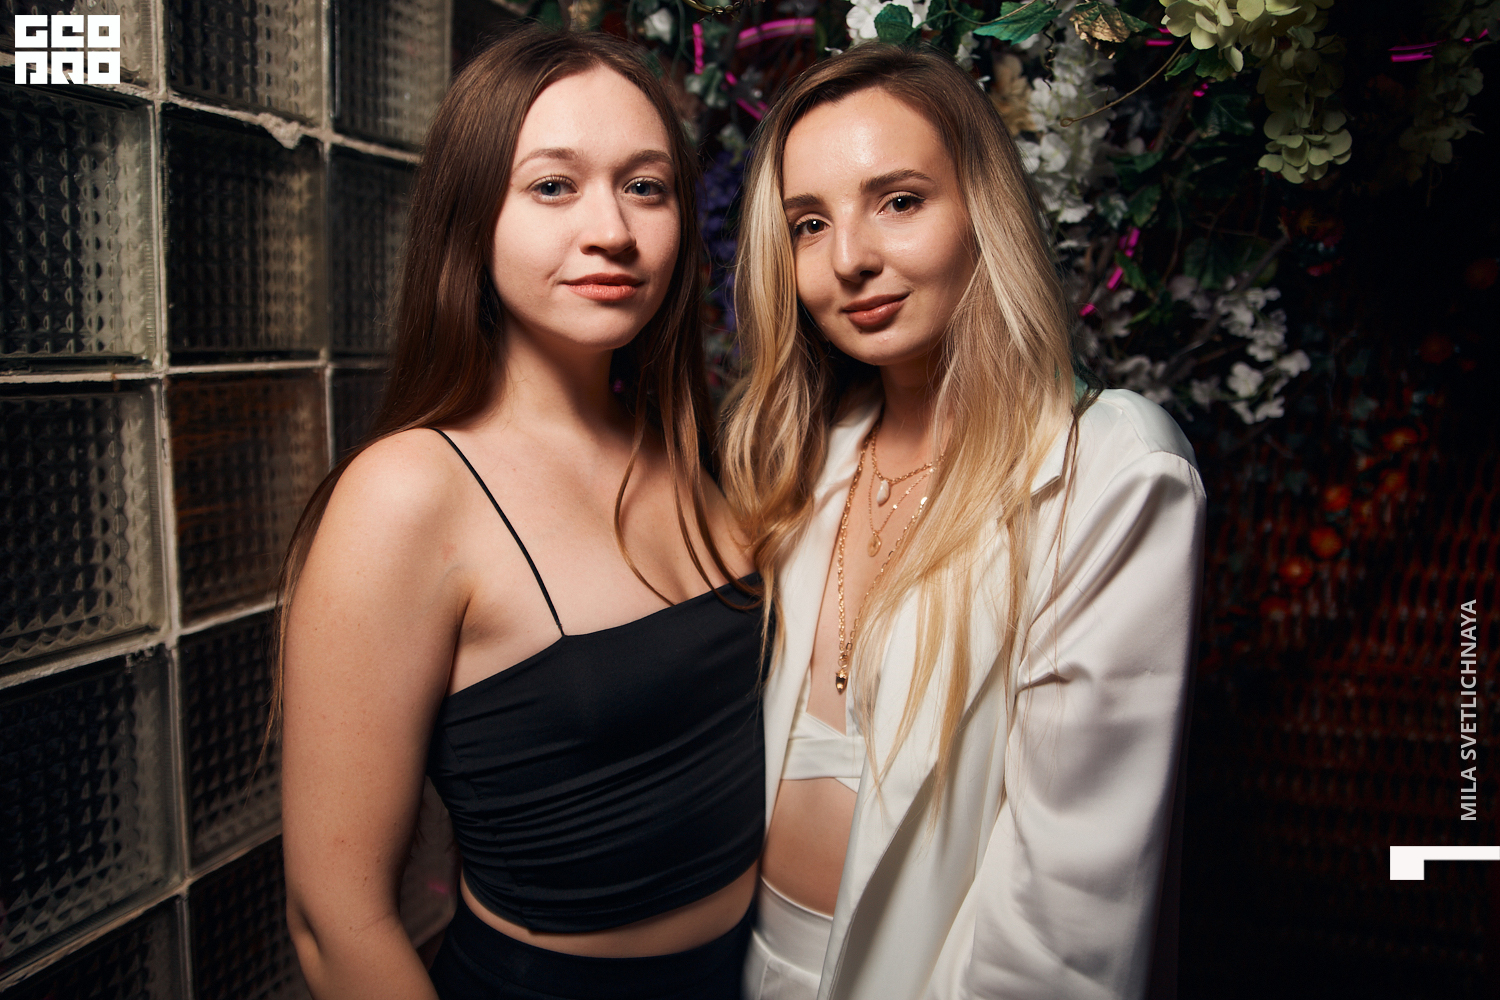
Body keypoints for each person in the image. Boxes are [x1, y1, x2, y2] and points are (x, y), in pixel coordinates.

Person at [279, 27, 765, 1000]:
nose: (612, 230)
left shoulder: (689, 446)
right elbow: (336, 923)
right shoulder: (408, 494)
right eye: (552, 186)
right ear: (472, 218)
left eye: (646, 186)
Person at [721, 44, 1206, 1000]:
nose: (850, 258)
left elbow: (1063, 926)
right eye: (809, 224)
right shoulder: (805, 461)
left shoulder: (1107, 472)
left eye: (899, 201)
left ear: (983, 209)